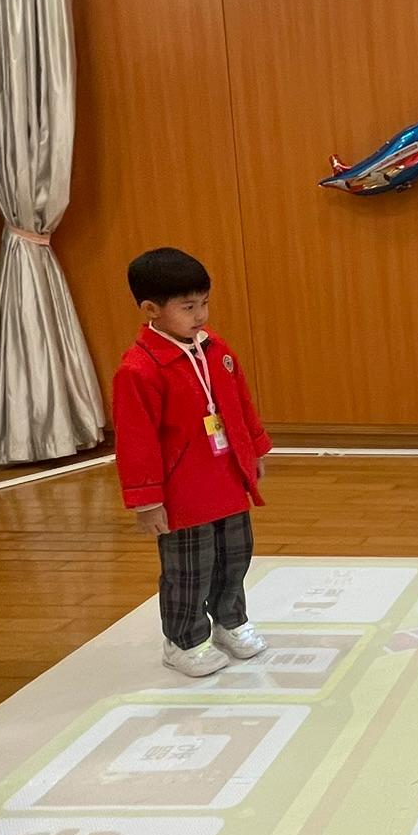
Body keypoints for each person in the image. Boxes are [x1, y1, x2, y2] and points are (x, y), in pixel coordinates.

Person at [113, 249, 275, 679]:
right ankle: (183, 640)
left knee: (234, 557)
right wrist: (147, 500)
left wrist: (253, 451)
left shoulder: (215, 349)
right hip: (182, 493)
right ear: (152, 309)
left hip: (226, 479)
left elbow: (239, 403)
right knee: (188, 569)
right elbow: (135, 441)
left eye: (204, 303)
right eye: (188, 307)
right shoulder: (139, 369)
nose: (201, 315)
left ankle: (230, 620)